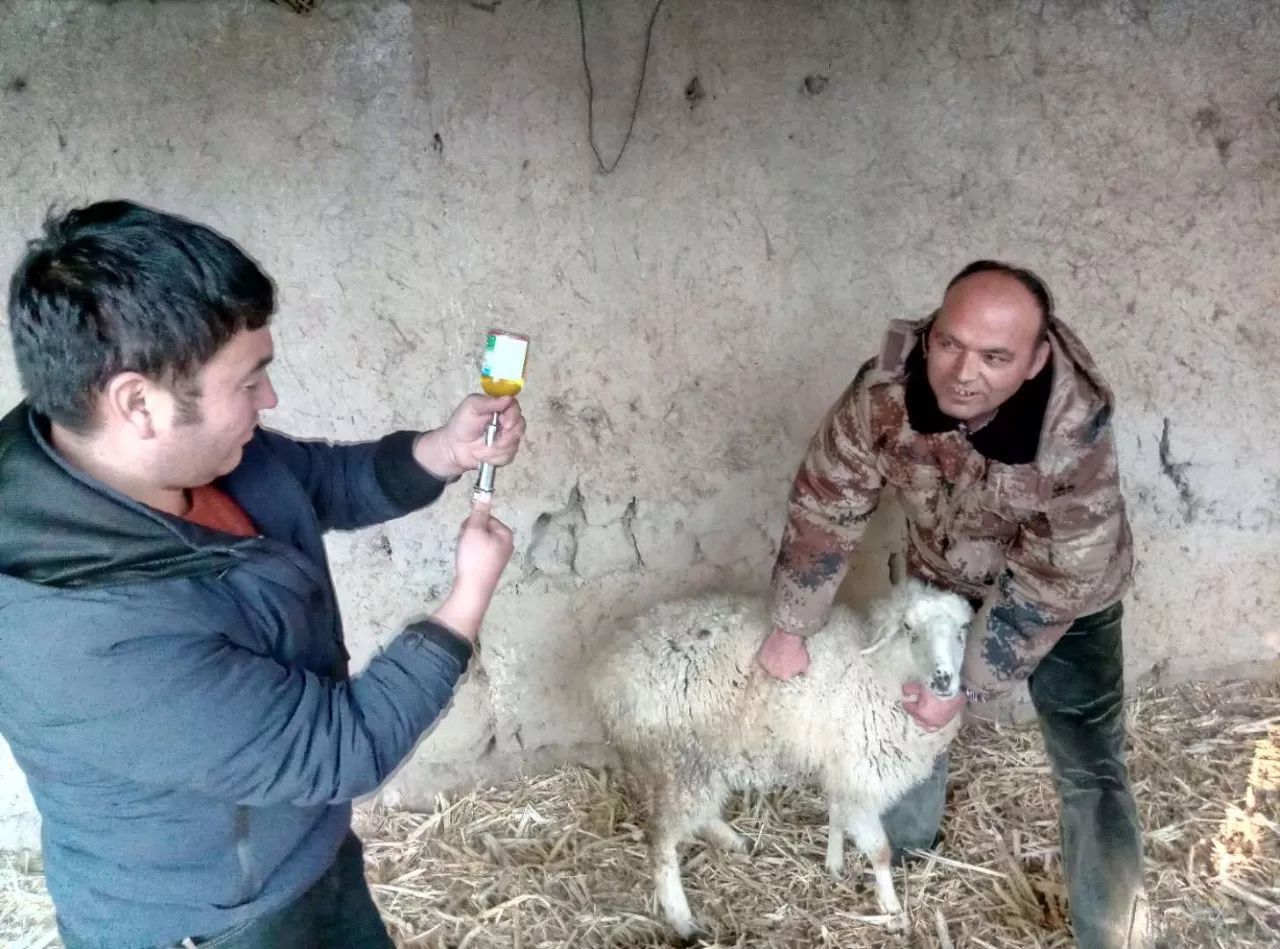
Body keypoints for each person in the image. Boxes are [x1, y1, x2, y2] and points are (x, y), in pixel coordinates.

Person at [0, 199, 526, 948]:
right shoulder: (72, 629)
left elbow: (315, 482)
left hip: (305, 854)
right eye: (248, 383)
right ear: (136, 403)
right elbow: (343, 746)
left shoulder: (184, 457)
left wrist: (445, 450)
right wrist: (466, 601)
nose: (269, 400)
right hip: (215, 922)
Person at [757, 260, 1149, 949]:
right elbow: (829, 500)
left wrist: (965, 680)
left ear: (1036, 361)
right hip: (944, 575)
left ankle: (1113, 932)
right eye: (950, 344)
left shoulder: (1073, 432)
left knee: (1089, 758)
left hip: (1068, 600)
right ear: (931, 332)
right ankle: (905, 850)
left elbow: (1054, 579)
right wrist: (792, 624)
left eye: (996, 356)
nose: (963, 372)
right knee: (913, 718)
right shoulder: (887, 391)